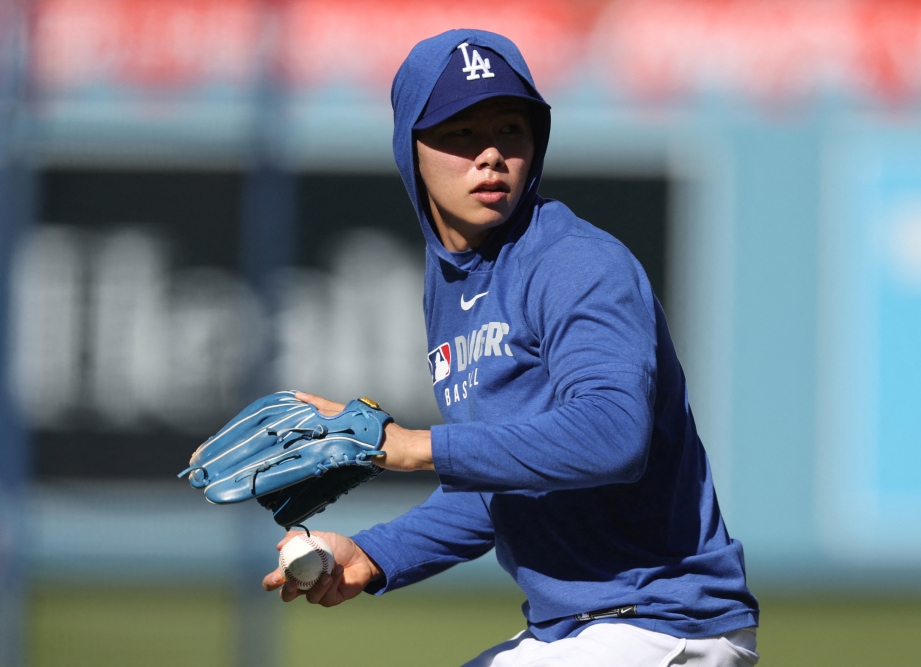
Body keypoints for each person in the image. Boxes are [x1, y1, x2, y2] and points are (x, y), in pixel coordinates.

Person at [262, 29, 760, 666]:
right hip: (580, 630)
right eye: (461, 132)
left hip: (660, 619)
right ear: (410, 147)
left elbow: (613, 432)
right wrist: (376, 553)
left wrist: (413, 446)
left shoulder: (577, 263)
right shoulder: (454, 283)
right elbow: (504, 486)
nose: (491, 154)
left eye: (510, 129)